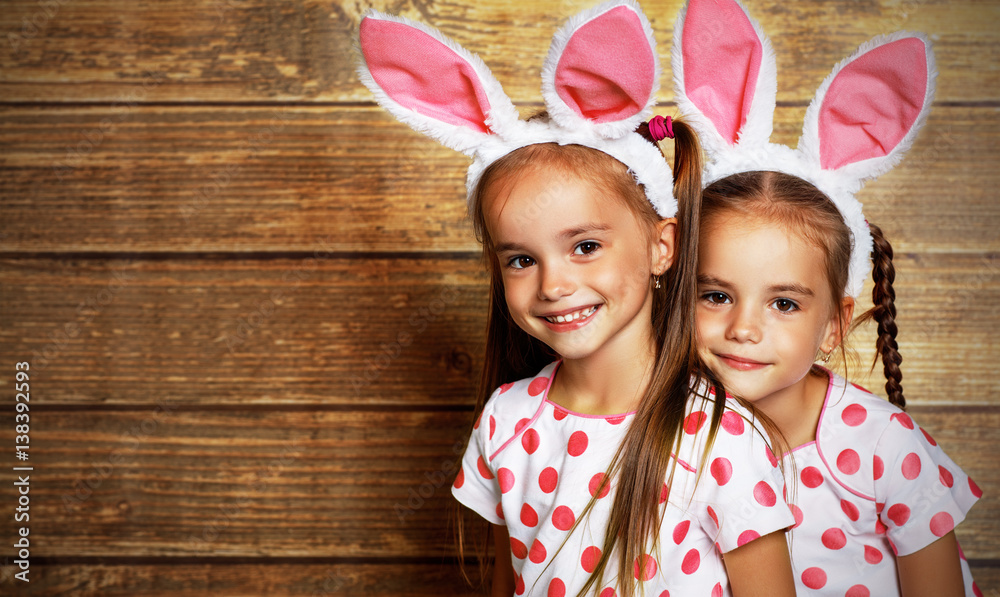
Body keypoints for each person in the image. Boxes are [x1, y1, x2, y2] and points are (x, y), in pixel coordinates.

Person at [358, 3, 797, 595]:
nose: (553, 285)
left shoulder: (724, 439)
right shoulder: (506, 422)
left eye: (585, 246)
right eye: (520, 259)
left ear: (661, 246)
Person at [672, 0, 982, 595]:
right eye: (714, 295)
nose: (743, 328)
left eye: (784, 303)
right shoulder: (669, 424)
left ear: (835, 324)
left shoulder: (882, 444)